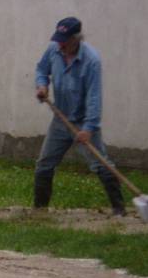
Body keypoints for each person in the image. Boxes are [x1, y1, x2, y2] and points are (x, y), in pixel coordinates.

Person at [33, 17, 125, 216]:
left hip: (83, 122)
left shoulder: (91, 61)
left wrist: (89, 128)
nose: (61, 44)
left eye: (65, 40)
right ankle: (39, 210)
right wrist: (42, 85)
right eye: (59, 39)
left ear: (76, 39)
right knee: (44, 164)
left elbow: (94, 97)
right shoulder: (54, 50)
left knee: (100, 164)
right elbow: (41, 69)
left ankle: (119, 210)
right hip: (60, 119)